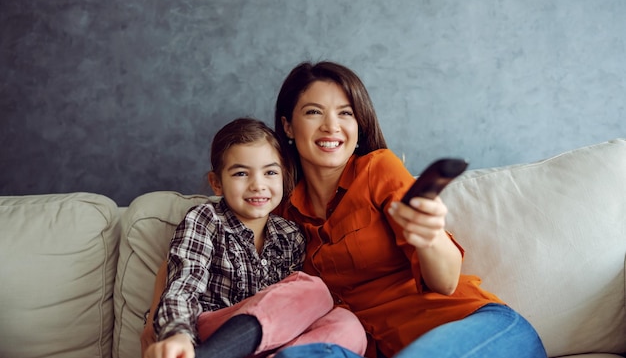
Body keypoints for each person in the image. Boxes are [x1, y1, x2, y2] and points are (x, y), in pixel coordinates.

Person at [268, 61, 547, 358]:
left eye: (346, 113)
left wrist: (429, 236)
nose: (331, 126)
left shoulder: (379, 169)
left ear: (359, 125)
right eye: (313, 112)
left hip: (479, 329)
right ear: (287, 125)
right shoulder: (280, 213)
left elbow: (446, 282)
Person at [143, 117, 367, 358]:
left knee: (347, 323)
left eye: (270, 172)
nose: (258, 185)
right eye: (241, 173)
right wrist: (177, 334)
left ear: (284, 176)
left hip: (271, 344)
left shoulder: (290, 235)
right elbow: (183, 286)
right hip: (211, 332)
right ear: (216, 183)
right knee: (315, 289)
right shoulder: (205, 219)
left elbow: (292, 308)